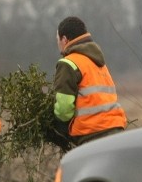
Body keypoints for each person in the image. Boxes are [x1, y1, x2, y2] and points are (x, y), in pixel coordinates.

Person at [53, 16, 127, 146]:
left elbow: (64, 108)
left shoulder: (68, 63)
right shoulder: (97, 62)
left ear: (64, 39)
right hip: (116, 128)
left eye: (57, 39)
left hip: (92, 133)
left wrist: (59, 127)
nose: (58, 44)